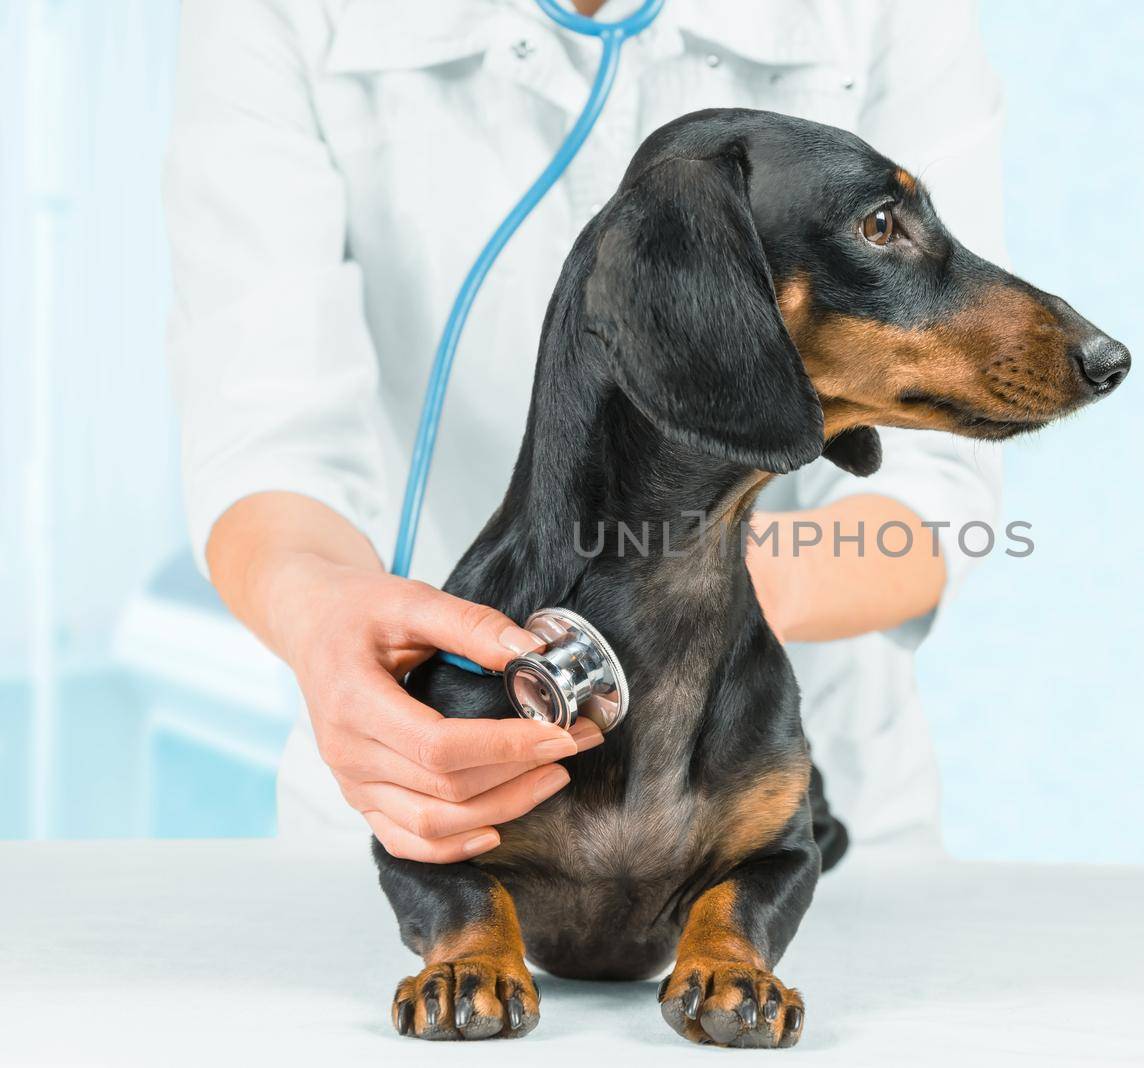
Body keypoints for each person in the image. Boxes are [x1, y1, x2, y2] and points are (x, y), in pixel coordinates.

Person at [166, 0, 1005, 864]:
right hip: (438, 793)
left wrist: (698, 598)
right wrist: (323, 617)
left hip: (771, 818)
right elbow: (268, 432)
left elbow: (935, 478)